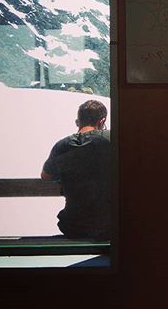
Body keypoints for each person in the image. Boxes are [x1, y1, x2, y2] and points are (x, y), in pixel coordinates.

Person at [41, 100, 111, 240]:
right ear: (102, 121)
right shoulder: (111, 140)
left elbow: (46, 176)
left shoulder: (61, 146)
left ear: (78, 122)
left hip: (74, 226)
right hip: (109, 227)